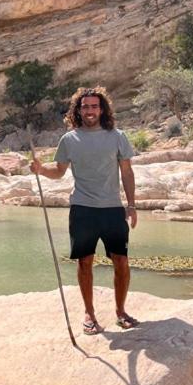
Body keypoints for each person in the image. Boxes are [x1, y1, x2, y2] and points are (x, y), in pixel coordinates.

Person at [30, 86, 138, 334]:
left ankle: (121, 312)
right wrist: (40, 170)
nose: (90, 111)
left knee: (121, 260)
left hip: (112, 208)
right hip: (83, 208)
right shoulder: (69, 140)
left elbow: (127, 172)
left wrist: (131, 205)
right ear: (78, 110)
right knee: (84, 261)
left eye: (94, 106)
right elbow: (58, 172)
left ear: (102, 109)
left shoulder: (117, 136)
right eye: (85, 106)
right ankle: (89, 313)